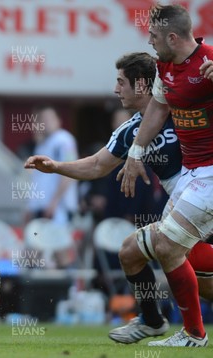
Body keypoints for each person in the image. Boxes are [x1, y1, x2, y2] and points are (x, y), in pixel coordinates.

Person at [25, 51, 213, 344]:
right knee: (131, 252)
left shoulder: (183, 109)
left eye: (121, 82)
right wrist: (55, 167)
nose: (116, 89)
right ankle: (152, 321)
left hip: (204, 198)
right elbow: (98, 165)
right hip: (187, 210)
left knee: (179, 261)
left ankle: (192, 334)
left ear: (141, 85)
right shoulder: (130, 131)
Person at [118, 3, 213, 347]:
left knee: (169, 245)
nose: (149, 40)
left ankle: (193, 334)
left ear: (172, 37)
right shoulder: (165, 67)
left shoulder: (209, 63)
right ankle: (189, 332)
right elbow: (158, 107)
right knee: (165, 247)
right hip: (193, 174)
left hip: (211, 175)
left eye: (154, 36)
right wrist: (135, 152)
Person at [26, 106, 79, 228]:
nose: (46, 122)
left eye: (49, 118)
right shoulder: (42, 144)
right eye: (43, 119)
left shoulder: (64, 140)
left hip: (58, 208)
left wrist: (54, 202)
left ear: (58, 120)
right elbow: (38, 179)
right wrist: (30, 206)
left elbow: (70, 172)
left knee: (58, 244)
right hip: (41, 208)